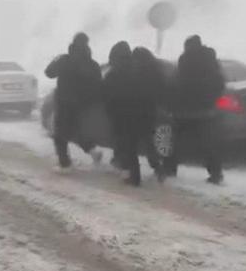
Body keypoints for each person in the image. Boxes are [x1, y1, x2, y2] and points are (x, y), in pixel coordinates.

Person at [164, 35, 225, 184]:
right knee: (208, 144)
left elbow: (177, 84)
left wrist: (173, 104)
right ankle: (216, 173)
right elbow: (220, 84)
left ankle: (169, 169)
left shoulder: (185, 60)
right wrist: (212, 100)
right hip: (207, 110)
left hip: (185, 110)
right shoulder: (212, 62)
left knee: (175, 141)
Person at [45, 32, 104, 172]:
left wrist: (56, 61)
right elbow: (99, 85)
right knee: (75, 130)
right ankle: (93, 151)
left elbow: (48, 73)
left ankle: (65, 165)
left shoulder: (64, 60)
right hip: (83, 105)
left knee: (59, 134)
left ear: (73, 43)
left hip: (64, 102)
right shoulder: (92, 63)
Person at [117, 47, 166, 186]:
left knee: (131, 146)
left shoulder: (131, 71)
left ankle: (135, 177)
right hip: (149, 112)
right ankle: (158, 168)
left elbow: (125, 91)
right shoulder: (155, 71)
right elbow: (161, 91)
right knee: (148, 142)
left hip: (132, 112)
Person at [103, 41, 132, 170]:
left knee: (119, 135)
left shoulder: (112, 74)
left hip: (117, 109)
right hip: (133, 108)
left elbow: (103, 90)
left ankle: (121, 161)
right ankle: (123, 161)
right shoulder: (135, 69)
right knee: (128, 136)